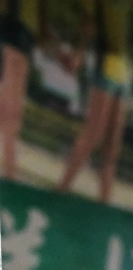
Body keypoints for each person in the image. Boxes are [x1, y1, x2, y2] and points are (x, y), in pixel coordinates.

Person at [58, 0, 133, 203]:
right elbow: (89, 24)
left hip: (123, 71)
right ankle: (61, 190)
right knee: (93, 135)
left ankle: (104, 203)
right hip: (106, 63)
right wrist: (78, 54)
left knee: (112, 148)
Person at [0, 0, 44, 179]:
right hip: (16, 31)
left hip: (22, 33)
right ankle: (10, 169)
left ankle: (8, 167)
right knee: (10, 108)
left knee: (5, 107)